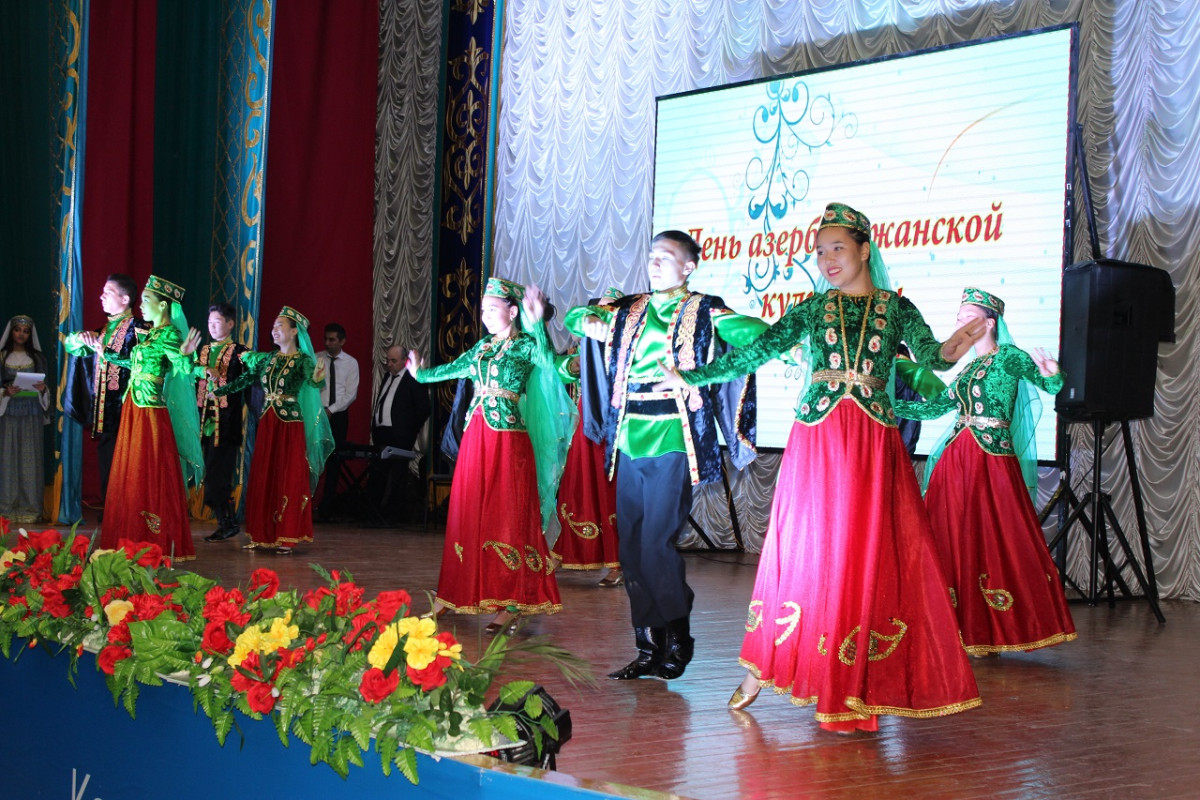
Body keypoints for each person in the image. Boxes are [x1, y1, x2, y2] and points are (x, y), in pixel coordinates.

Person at [657, 203, 984, 732]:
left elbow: (933, 357)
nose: (827, 259)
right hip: (819, 438)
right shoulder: (813, 308)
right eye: (820, 251)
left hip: (873, 442)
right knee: (807, 549)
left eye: (838, 248)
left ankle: (856, 681)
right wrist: (693, 377)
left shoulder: (896, 308)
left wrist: (961, 341)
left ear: (864, 250)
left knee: (866, 553)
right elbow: (758, 349)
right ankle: (763, 666)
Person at [565, 232, 769, 681]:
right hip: (628, 439)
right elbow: (577, 316)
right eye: (651, 256)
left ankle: (678, 637)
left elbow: (748, 331)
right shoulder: (629, 308)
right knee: (632, 550)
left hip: (673, 436)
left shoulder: (704, 308)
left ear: (689, 266)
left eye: (666, 257)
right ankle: (647, 646)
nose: (655, 264)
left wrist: (781, 337)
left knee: (656, 543)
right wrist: (590, 322)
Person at [894, 287, 1076, 655]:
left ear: (989, 323)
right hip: (956, 461)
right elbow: (934, 409)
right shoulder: (968, 370)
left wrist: (1055, 376)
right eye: (958, 318)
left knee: (995, 537)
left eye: (967, 318)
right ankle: (955, 626)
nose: (959, 324)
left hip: (990, 460)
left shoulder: (1008, 357)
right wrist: (884, 405)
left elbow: (1047, 383)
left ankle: (996, 627)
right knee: (950, 536)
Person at [407, 279, 572, 634]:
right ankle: (452, 592)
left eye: (492, 309)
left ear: (512, 312)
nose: (485, 315)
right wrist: (420, 374)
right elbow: (450, 369)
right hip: (475, 437)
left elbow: (549, 363)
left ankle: (512, 602)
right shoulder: (481, 347)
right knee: (466, 511)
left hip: (509, 440)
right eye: (482, 309)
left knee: (508, 516)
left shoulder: (527, 345)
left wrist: (537, 324)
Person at [78, 276, 204, 560]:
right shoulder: (151, 335)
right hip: (133, 408)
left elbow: (183, 368)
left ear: (163, 306)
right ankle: (131, 534)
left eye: (146, 300)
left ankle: (153, 536)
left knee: (148, 470)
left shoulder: (169, 334)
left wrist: (186, 356)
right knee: (130, 471)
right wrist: (106, 353)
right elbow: (135, 364)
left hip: (150, 412)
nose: (142, 306)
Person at [214, 306, 334, 554]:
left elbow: (313, 382)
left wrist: (319, 377)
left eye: (280, 326)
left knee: (288, 475)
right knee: (264, 474)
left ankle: (287, 536)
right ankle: (262, 534)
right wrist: (220, 391)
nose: (274, 330)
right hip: (268, 422)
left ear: (294, 331)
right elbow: (246, 379)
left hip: (289, 424)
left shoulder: (302, 360)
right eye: (273, 326)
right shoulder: (268, 358)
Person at [551, 288, 623, 586]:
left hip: (612, 426)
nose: (602, 315)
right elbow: (562, 371)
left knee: (607, 490)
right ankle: (565, 549)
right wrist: (574, 364)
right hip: (583, 426)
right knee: (576, 485)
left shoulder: (625, 346)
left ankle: (617, 561)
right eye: (599, 310)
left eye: (610, 310)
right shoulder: (585, 346)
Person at [64, 273, 149, 507]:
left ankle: (131, 512)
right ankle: (111, 511)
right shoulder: (103, 331)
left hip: (131, 412)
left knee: (131, 466)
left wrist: (109, 353)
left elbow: (148, 365)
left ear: (125, 299)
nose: (101, 297)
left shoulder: (141, 330)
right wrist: (81, 338)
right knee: (108, 464)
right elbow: (72, 346)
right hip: (106, 415)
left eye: (108, 293)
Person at [192, 303, 250, 542]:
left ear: (230, 324)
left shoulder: (240, 352)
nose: (212, 326)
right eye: (210, 322)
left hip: (225, 425)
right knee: (209, 473)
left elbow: (249, 380)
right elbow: (189, 372)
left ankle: (228, 522)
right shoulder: (203, 351)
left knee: (219, 475)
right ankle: (226, 520)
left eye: (217, 322)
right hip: (202, 423)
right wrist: (201, 370)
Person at [368, 344, 431, 522]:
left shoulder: (412, 379)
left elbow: (424, 408)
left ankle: (394, 515)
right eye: (387, 360)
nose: (389, 364)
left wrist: (409, 429)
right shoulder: (387, 376)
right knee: (377, 474)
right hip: (382, 433)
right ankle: (374, 513)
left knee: (397, 475)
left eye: (393, 361)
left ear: (405, 361)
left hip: (400, 435)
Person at [0, 315, 51, 523]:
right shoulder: (2, 357)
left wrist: (42, 389)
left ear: (30, 335)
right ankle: (6, 507)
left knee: (30, 458)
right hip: (8, 412)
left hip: (31, 412)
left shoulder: (38, 359)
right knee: (7, 457)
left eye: (25, 331)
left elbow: (46, 389)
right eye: (17, 330)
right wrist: (5, 392)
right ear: (11, 332)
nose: (21, 334)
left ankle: (30, 508)